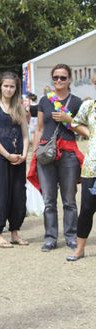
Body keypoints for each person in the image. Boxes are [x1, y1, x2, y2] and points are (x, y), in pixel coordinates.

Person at [29, 64, 84, 252]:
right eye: (55, 78)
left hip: (68, 154)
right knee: (49, 200)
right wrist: (35, 152)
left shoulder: (77, 102)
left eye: (62, 77)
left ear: (69, 80)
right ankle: (50, 238)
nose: (58, 81)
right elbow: (40, 129)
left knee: (69, 199)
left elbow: (83, 129)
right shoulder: (45, 100)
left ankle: (71, 236)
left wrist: (67, 119)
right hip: (46, 153)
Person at [0, 72, 29, 248]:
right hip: (0, 159)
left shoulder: (19, 108)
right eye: (6, 86)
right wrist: (7, 155)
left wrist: (24, 154)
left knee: (18, 196)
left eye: (12, 86)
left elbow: (26, 135)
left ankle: (15, 232)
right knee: (0, 195)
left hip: (19, 159)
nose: (9, 89)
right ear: (0, 86)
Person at [66, 74, 96, 261]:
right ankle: (80, 249)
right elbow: (75, 124)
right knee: (86, 208)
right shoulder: (89, 106)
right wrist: (91, 134)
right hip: (92, 167)